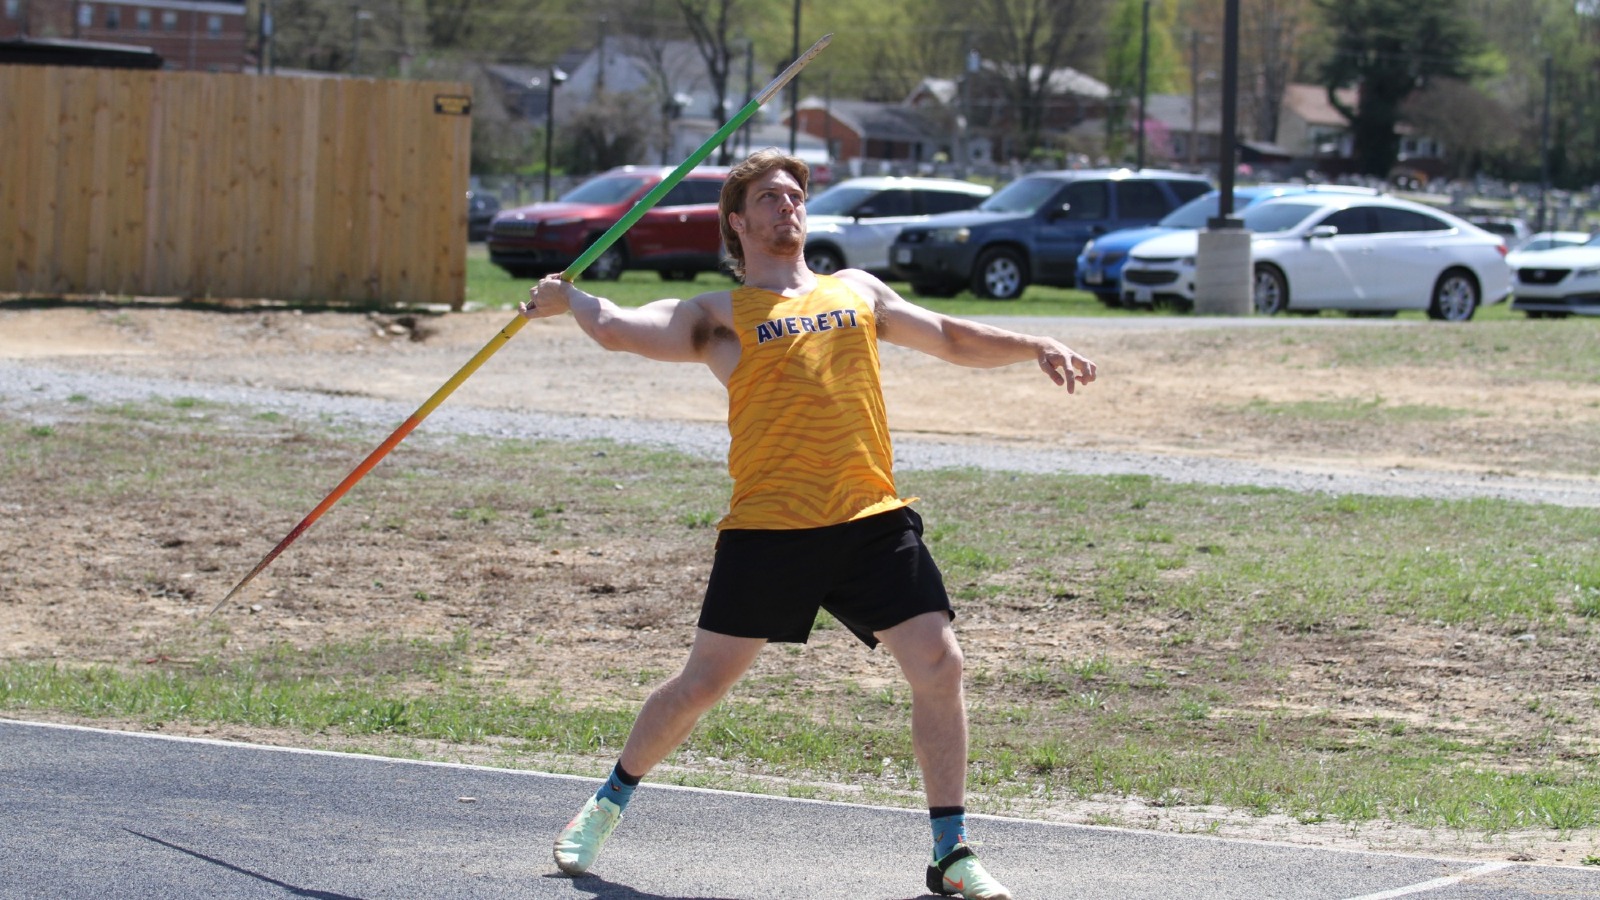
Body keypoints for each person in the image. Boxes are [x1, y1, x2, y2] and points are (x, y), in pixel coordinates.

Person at [519, 148, 1096, 900]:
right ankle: (607, 802)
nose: (787, 206)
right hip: (770, 530)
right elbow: (629, 327)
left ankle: (951, 851)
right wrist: (574, 302)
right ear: (738, 221)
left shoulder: (856, 291)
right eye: (769, 198)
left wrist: (1035, 344)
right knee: (698, 688)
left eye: (794, 195)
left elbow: (949, 335)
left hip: (868, 520)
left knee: (939, 663)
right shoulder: (718, 315)